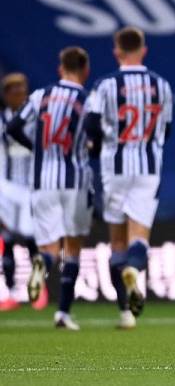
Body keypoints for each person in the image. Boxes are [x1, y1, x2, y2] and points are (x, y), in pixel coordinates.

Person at [85, 26, 173, 329]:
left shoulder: (105, 85)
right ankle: (135, 270)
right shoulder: (161, 85)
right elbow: (167, 129)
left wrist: (97, 148)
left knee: (117, 240)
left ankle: (125, 312)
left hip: (114, 167)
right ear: (144, 50)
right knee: (139, 236)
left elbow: (92, 126)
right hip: (148, 166)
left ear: (117, 51)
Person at [7, 47, 94, 330]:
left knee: (48, 246)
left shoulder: (39, 96)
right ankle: (63, 313)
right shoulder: (86, 100)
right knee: (73, 247)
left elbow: (14, 127)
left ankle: (41, 263)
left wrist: (38, 147)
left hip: (42, 180)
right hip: (75, 180)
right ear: (85, 70)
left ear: (60, 68)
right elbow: (98, 137)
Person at [0, 73, 46, 311]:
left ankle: (38, 287)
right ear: (6, 95)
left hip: (31, 188)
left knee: (32, 240)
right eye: (14, 90)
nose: (19, 94)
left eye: (22, 89)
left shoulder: (36, 120)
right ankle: (8, 290)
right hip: (7, 189)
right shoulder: (1, 121)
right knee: (6, 240)